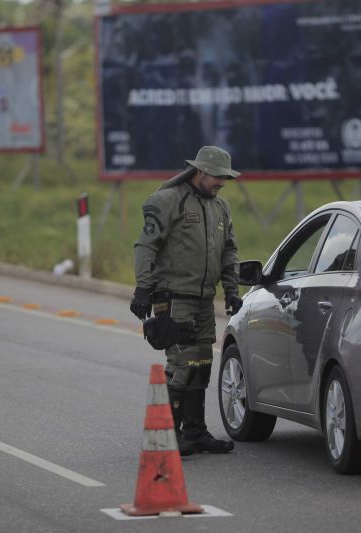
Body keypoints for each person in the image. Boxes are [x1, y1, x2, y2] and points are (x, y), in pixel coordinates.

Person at [130, 145, 244, 456]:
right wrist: (143, 288)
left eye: (226, 178)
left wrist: (231, 290)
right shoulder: (169, 200)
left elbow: (229, 251)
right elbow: (146, 246)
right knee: (182, 364)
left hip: (204, 301)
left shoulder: (220, 208)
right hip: (174, 297)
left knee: (202, 364)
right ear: (201, 171)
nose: (222, 183)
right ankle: (168, 434)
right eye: (218, 177)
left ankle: (195, 432)